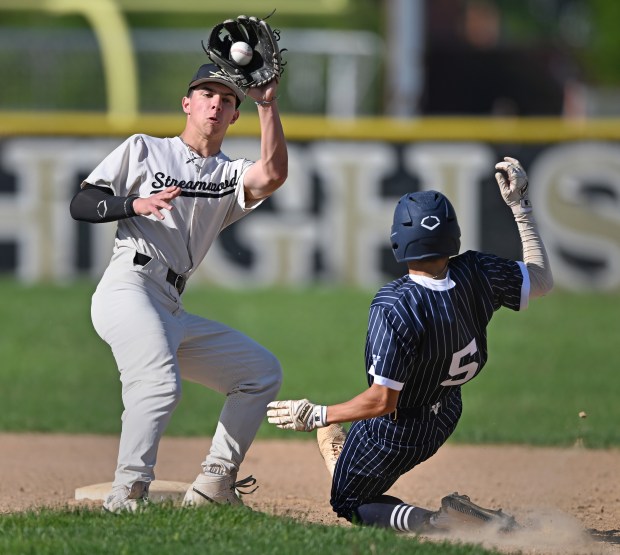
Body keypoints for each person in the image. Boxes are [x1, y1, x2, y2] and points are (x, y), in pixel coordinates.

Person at [267, 157, 553, 532]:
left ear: (399, 239)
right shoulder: (477, 270)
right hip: (447, 412)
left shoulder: (395, 303)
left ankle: (442, 521)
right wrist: (520, 206)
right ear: (451, 235)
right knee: (353, 467)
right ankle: (347, 456)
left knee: (348, 502)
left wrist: (318, 414)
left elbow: (383, 401)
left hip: (397, 430)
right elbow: (541, 280)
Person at [70, 62, 287, 512]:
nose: (216, 103)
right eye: (206, 94)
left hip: (170, 303)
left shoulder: (229, 174)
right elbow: (83, 201)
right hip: (128, 286)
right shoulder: (145, 150)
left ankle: (214, 484)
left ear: (234, 117)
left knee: (260, 373)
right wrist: (134, 202)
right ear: (187, 104)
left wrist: (267, 102)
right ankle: (126, 494)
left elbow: (273, 175)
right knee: (159, 384)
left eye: (227, 99)